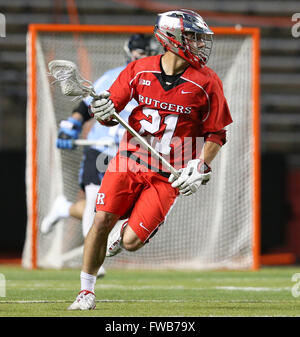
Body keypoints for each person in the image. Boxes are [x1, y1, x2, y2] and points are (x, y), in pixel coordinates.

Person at [68, 9, 233, 310]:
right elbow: (110, 113)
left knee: (130, 242)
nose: (199, 45)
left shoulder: (207, 82)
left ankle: (127, 234)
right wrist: (102, 111)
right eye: (193, 38)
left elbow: (217, 133)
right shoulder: (139, 70)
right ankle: (86, 292)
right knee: (101, 218)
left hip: (168, 172)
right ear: (173, 38)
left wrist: (199, 165)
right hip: (129, 159)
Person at [40, 34, 158, 278]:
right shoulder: (116, 75)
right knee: (96, 206)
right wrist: (71, 125)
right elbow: (87, 105)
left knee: (117, 211)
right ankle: (93, 261)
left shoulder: (158, 83)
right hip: (101, 149)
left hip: (131, 153)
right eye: (140, 54)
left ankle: (65, 208)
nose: (144, 59)